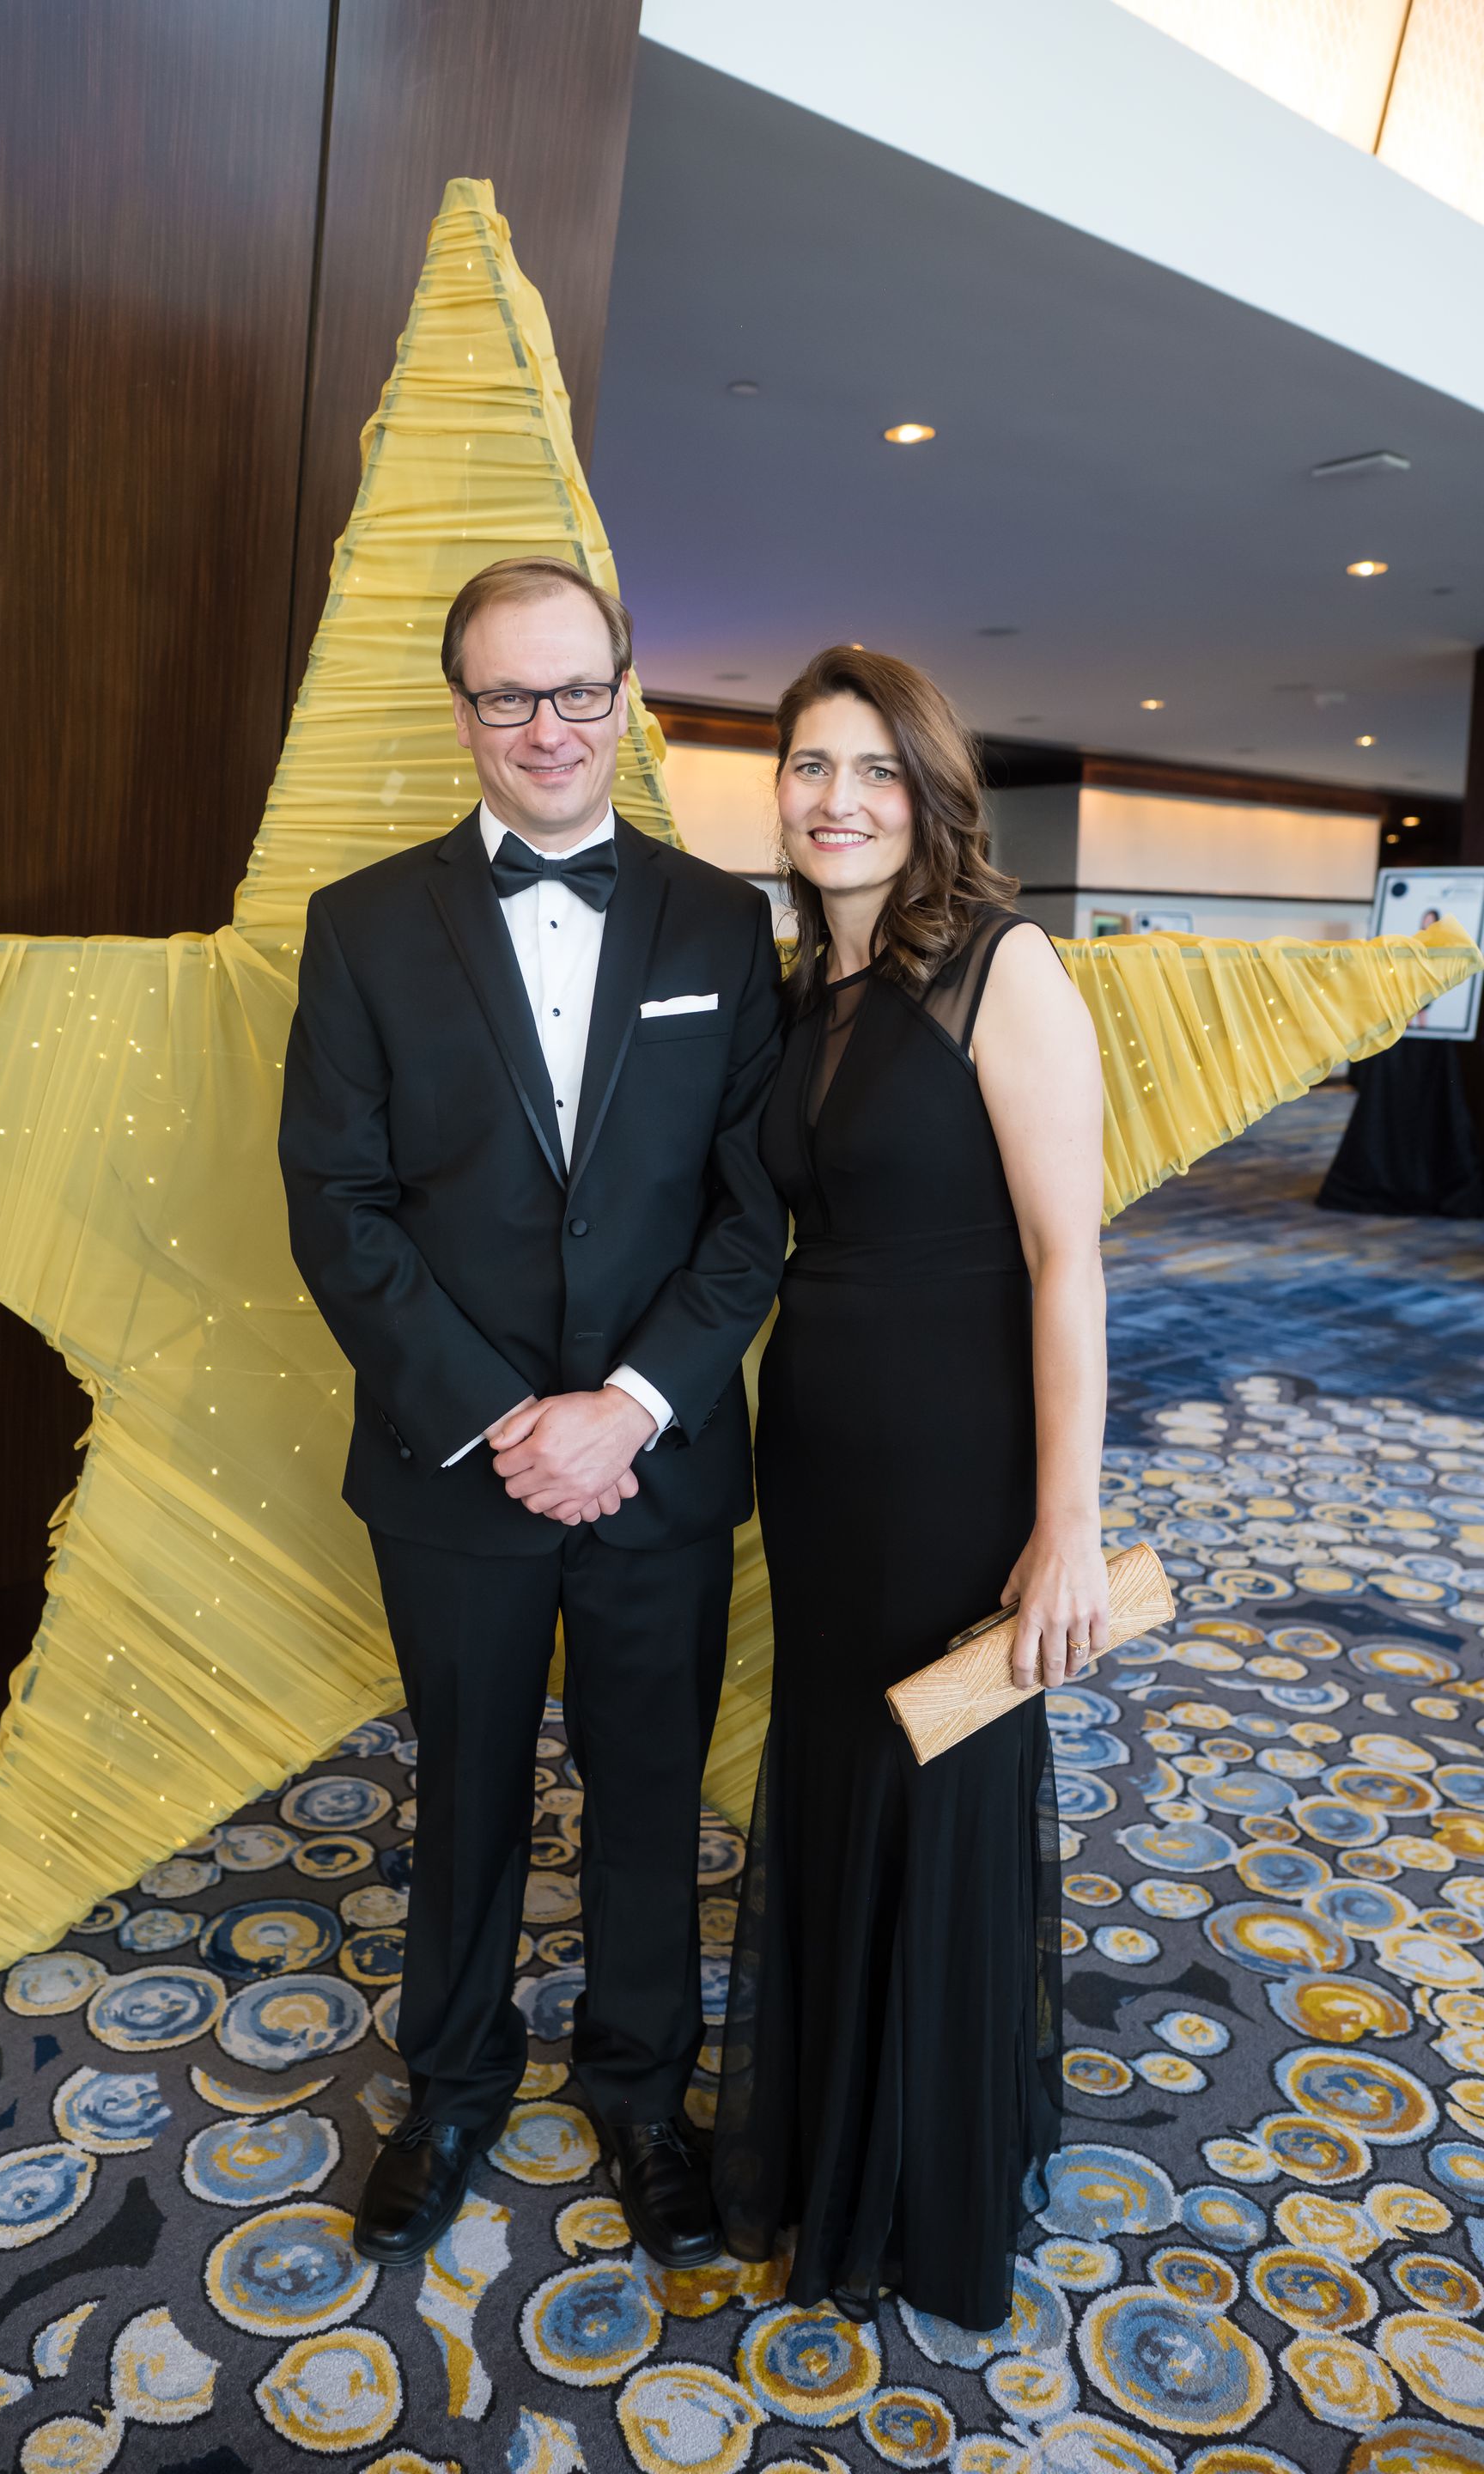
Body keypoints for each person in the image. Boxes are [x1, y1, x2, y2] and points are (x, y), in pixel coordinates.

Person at [278, 556, 787, 2269]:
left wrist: (627, 1407)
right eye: (510, 694)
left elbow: (750, 1212)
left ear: (627, 694)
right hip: (456, 1466)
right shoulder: (359, 925)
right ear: (462, 711)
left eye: (579, 690)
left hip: (662, 1457)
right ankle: (453, 2082)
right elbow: (333, 1205)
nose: (548, 726)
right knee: (468, 1790)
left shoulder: (726, 921)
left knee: (648, 1793)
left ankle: (644, 2089)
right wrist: (511, 1419)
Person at [713, 645, 1108, 2328]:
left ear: (930, 792)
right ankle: (823, 2141)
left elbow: (1065, 1260)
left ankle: (918, 2179)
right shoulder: (804, 991)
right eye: (812, 765)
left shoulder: (1003, 968)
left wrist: (1067, 1523)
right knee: (833, 1773)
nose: (838, 798)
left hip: (957, 1456)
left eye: (875, 769)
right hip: (817, 1450)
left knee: (932, 1781)